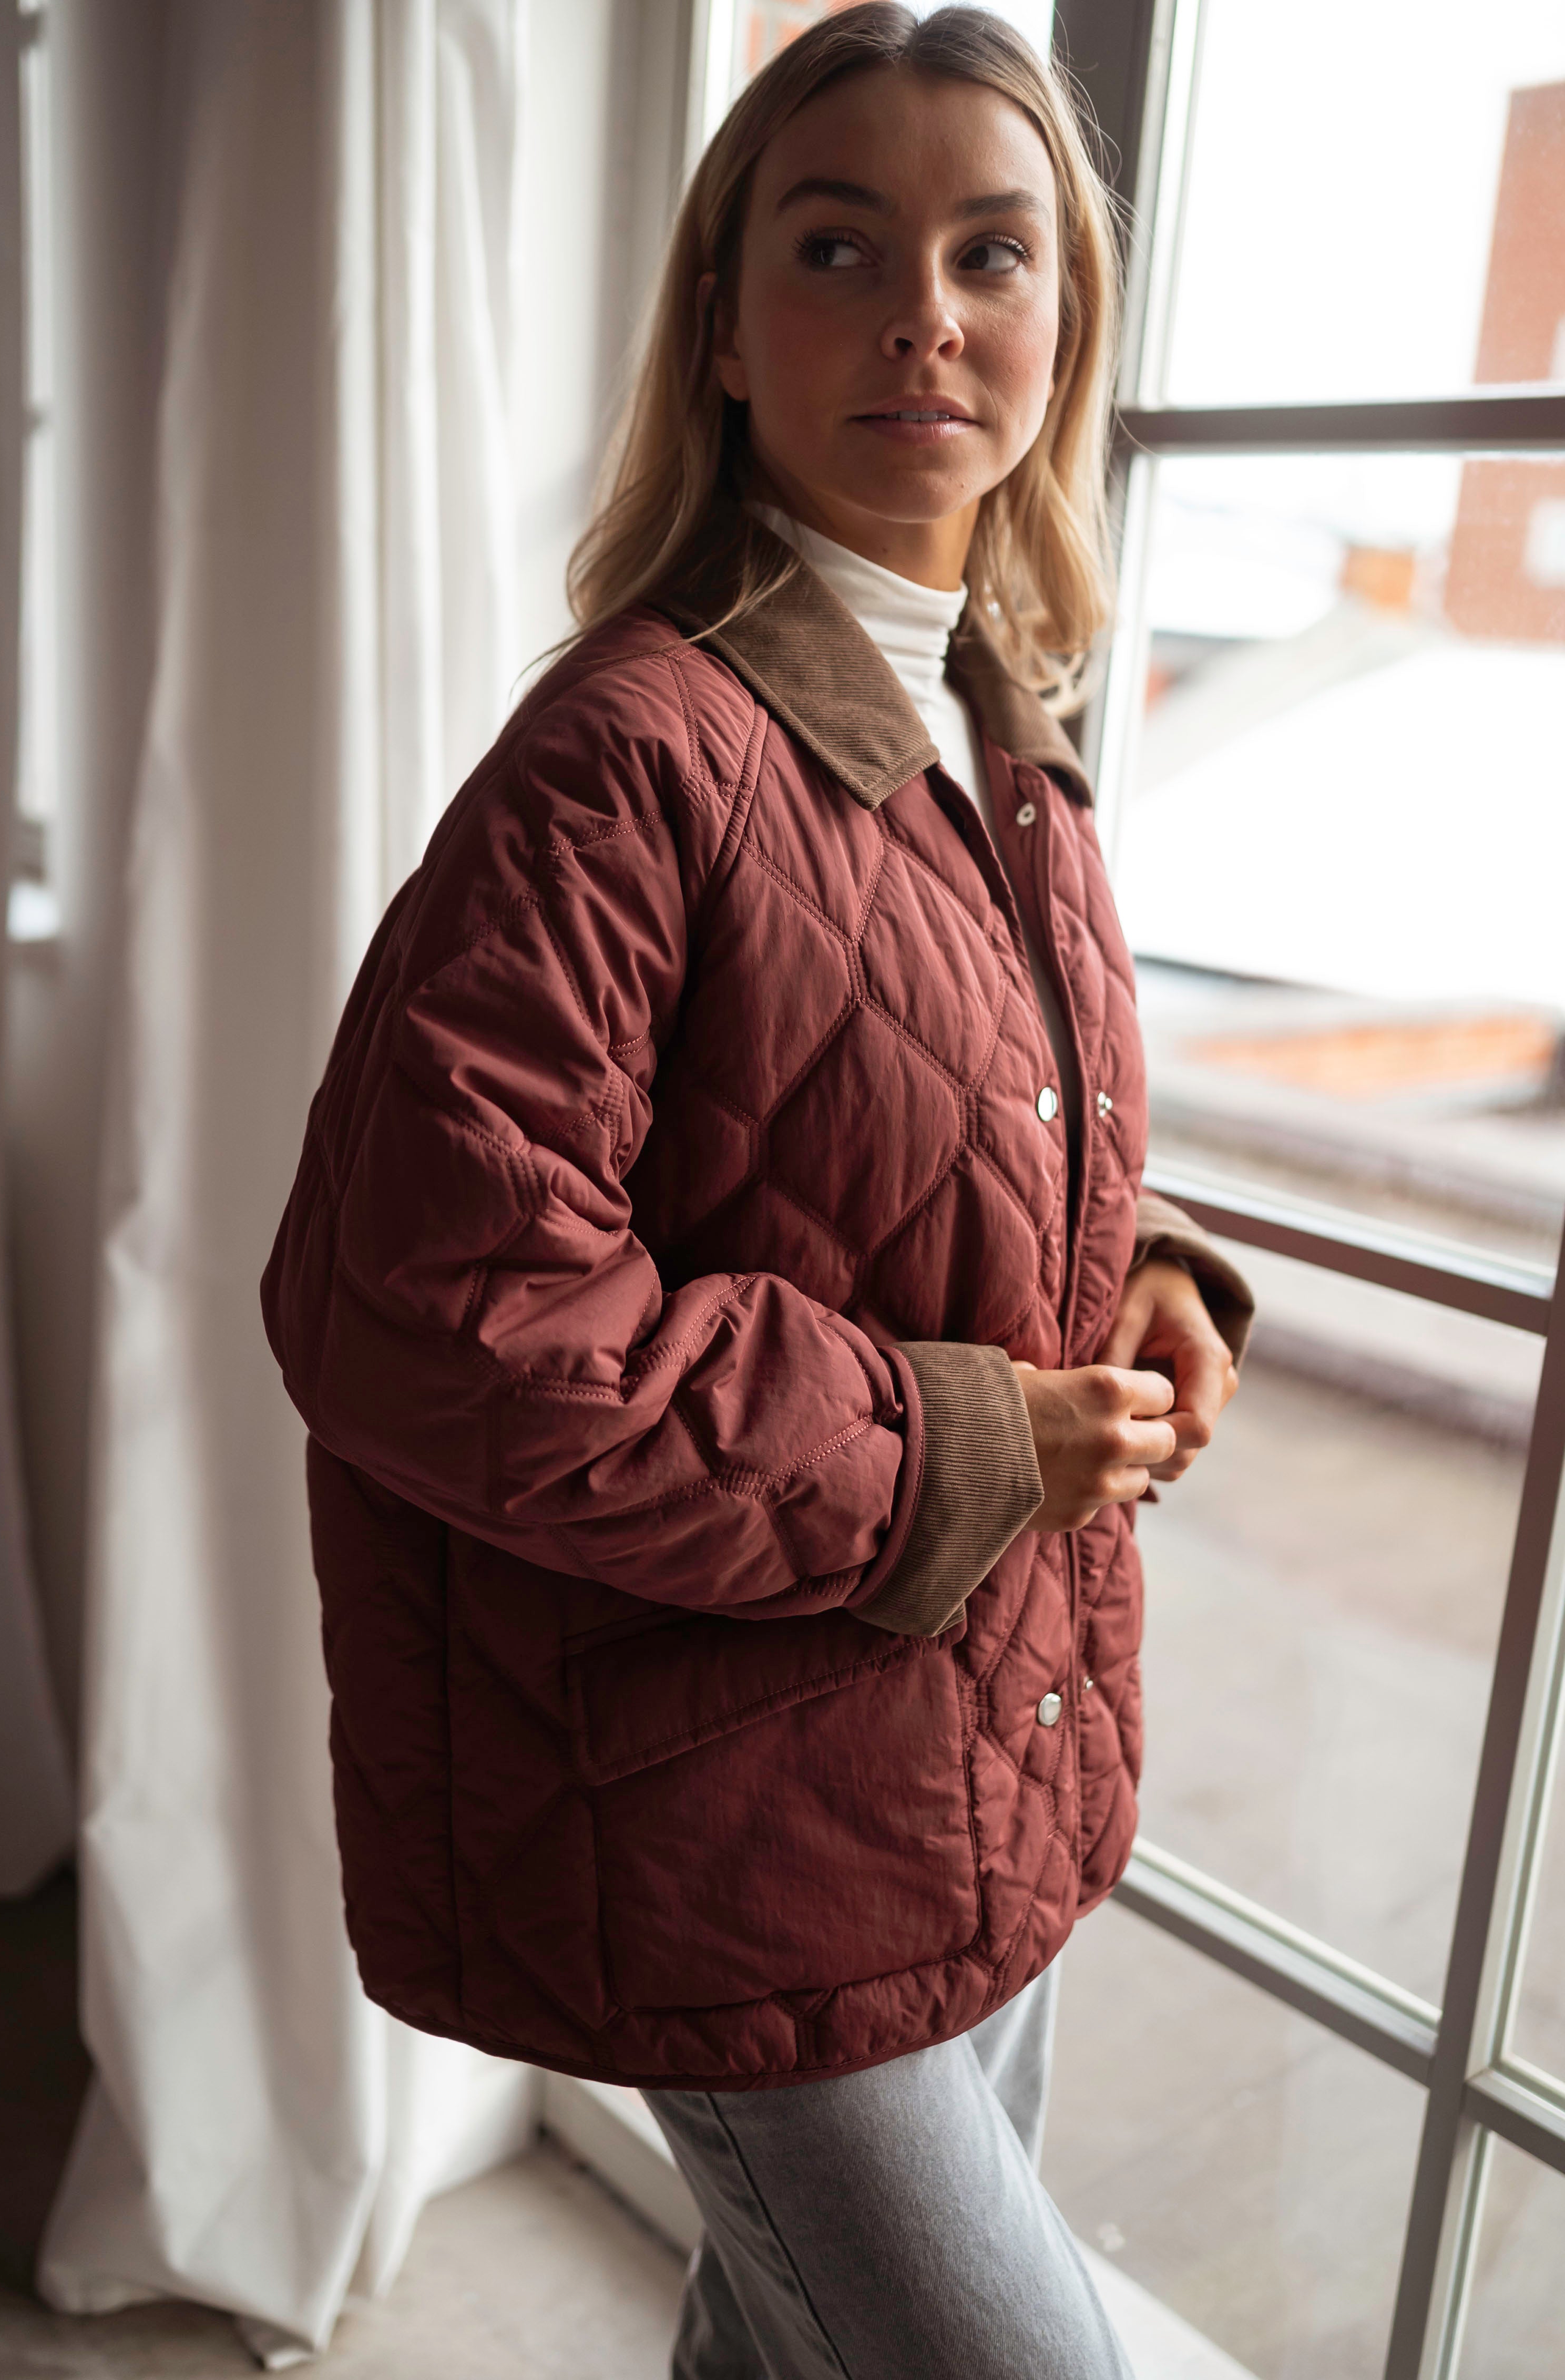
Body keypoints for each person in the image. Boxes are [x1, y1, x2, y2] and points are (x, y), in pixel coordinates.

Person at [262, 7, 1253, 2374]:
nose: (923, 312)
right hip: (727, 1808)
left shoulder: (1000, 729)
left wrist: (1144, 1277)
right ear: (720, 327)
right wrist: (970, 1441)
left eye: (989, 253)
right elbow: (437, 1311)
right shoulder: (628, 757)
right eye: (838, 247)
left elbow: (923, 1135)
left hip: (966, 1738)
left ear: (1062, 326)